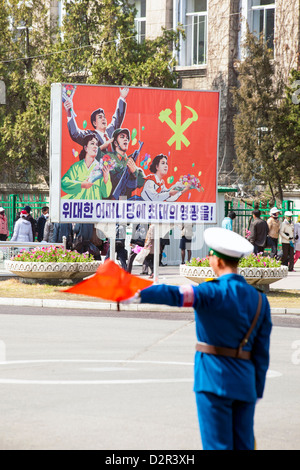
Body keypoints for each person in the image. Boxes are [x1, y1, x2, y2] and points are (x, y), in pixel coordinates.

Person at [125, 228, 272, 450]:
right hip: (245, 384)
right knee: (243, 445)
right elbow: (262, 353)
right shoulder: (260, 300)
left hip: (213, 381)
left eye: (212, 256)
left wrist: (138, 292)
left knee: (217, 445)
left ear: (218, 262)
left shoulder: (209, 292)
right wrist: (255, 389)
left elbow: (173, 294)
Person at [63, 87, 129, 148]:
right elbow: (75, 134)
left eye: (104, 117)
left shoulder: (110, 131)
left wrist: (122, 98)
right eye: (100, 117)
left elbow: (118, 118)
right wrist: (69, 114)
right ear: (95, 123)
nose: (103, 119)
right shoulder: (90, 135)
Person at [97, 128, 145, 199]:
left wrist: (135, 171)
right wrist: (106, 143)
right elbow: (95, 153)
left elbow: (141, 182)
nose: (125, 139)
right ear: (115, 143)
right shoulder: (108, 157)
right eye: (122, 137)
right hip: (108, 199)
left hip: (124, 199)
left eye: (127, 138)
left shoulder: (130, 162)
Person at [61, 133, 112, 200]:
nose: (95, 146)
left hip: (93, 208)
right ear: (85, 148)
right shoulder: (76, 167)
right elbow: (64, 183)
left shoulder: (102, 168)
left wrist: (106, 179)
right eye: (92, 143)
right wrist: (81, 185)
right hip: (78, 207)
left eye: (96, 144)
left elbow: (106, 194)